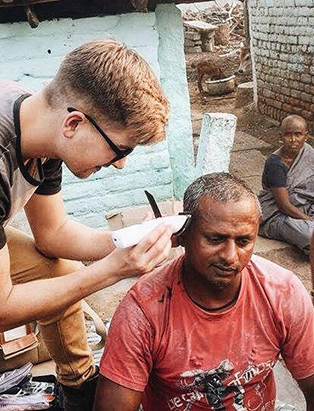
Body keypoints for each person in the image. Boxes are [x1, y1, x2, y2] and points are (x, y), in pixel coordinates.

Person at [0, 39, 173, 411]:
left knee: (55, 267)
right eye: (121, 148)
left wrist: (129, 242)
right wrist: (112, 271)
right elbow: (2, 307)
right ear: (74, 123)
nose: (121, 163)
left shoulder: (42, 123)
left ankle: (78, 389)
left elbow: (53, 235)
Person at [94, 172, 314, 410]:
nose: (231, 257)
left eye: (243, 241)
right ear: (183, 235)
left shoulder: (283, 293)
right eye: (215, 239)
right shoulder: (143, 312)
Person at [258, 114, 314, 254]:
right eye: (288, 135)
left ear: (305, 135)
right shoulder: (275, 163)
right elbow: (284, 205)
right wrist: (308, 220)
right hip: (278, 215)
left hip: (307, 206)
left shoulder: (309, 154)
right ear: (280, 136)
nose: (293, 140)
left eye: (298, 134)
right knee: (309, 234)